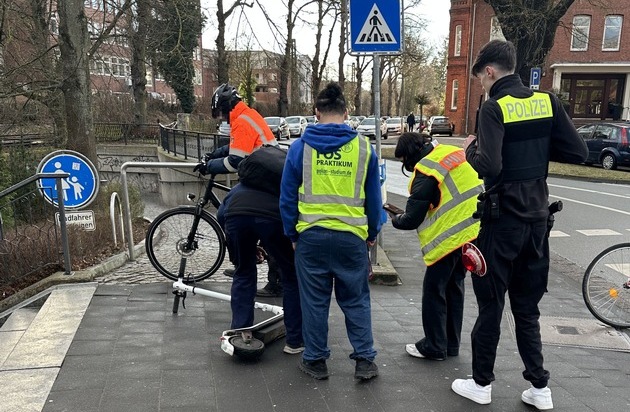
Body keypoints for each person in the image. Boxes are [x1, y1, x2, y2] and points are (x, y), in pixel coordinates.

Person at [451, 40, 588, 410]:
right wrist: (539, 149)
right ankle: (540, 388)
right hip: (538, 225)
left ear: (490, 71)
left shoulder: (493, 109)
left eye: (480, 78)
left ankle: (481, 383)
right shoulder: (547, 102)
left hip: (501, 223)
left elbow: (490, 166)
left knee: (492, 305)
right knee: (527, 309)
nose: (482, 84)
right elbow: (579, 152)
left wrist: (469, 151)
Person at [280, 82, 383, 380]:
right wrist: (372, 233)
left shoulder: (299, 147)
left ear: (316, 113)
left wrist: (293, 235)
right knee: (356, 299)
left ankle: (315, 360)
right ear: (347, 113)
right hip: (351, 239)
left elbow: (287, 198)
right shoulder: (364, 149)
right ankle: (364, 361)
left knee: (313, 300)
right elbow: (374, 200)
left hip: (311, 238)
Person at [387, 132, 483, 361]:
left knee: (434, 290)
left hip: (450, 237)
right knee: (454, 286)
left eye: (403, 160)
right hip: (474, 231)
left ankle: (434, 345)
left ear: (409, 155)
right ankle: (451, 343)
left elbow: (411, 220)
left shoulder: (426, 170)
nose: (404, 165)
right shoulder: (451, 152)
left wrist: (395, 218)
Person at [196, 83, 282, 289]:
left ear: (225, 107)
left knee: (226, 213)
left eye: (219, 112)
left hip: (262, 178)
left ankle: (245, 260)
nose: (220, 117)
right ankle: (251, 256)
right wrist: (215, 154)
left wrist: (208, 167)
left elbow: (235, 162)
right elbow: (236, 146)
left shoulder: (242, 121)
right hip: (266, 176)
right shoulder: (246, 115)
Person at [217, 183, 303, 355]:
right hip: (272, 218)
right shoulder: (281, 186)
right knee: (290, 276)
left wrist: (242, 246)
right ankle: (294, 341)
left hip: (236, 218)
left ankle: (241, 331)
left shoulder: (239, 187)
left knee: (243, 272)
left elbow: (221, 215)